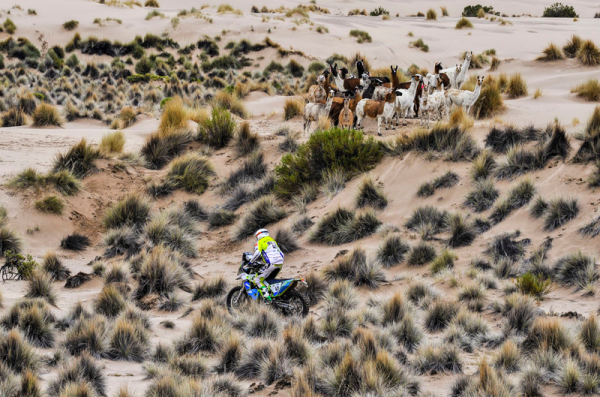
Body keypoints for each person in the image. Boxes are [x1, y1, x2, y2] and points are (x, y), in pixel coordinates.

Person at [249, 228, 284, 301]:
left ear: (258, 235)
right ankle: (274, 295)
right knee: (269, 279)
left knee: (257, 280)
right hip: (280, 263)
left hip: (271, 263)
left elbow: (257, 253)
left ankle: (267, 297)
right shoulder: (272, 240)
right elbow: (281, 253)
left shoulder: (260, 241)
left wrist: (251, 262)